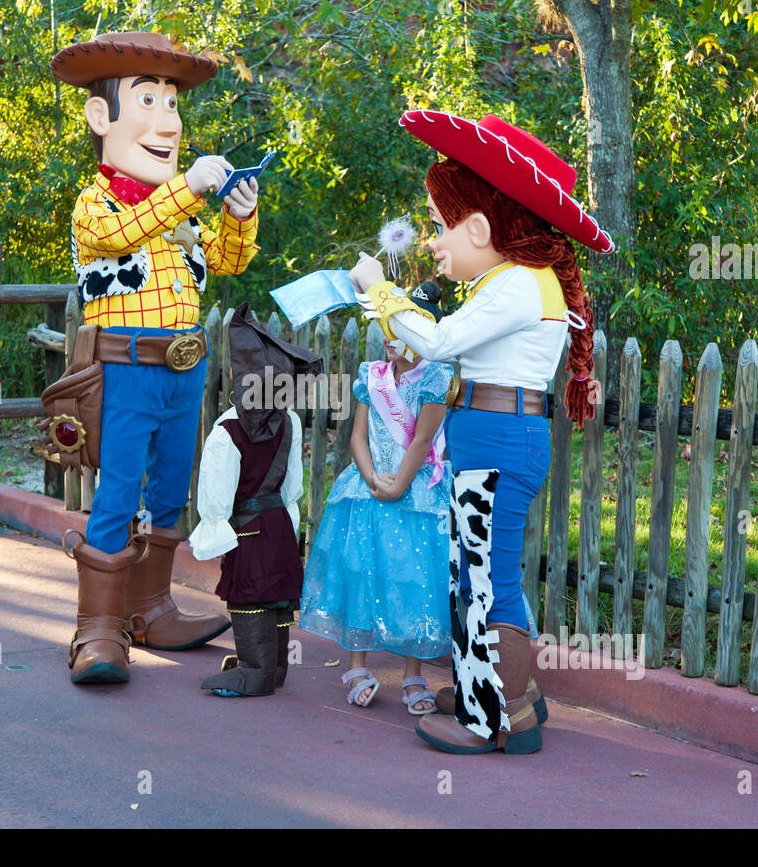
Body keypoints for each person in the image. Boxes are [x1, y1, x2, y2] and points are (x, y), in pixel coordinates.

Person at [350, 110, 612, 754]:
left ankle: (495, 718)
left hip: (498, 437)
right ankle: (490, 689)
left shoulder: (519, 284)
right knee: (474, 572)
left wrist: (382, 291)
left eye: (440, 228)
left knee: (485, 577)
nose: (434, 243)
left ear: (478, 226)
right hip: (490, 433)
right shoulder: (511, 281)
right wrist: (388, 308)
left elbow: (437, 342)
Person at [49, 31, 262, 684]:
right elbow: (116, 236)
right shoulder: (98, 204)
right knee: (116, 492)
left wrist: (240, 217)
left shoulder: (179, 216)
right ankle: (97, 629)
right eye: (149, 102)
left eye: (173, 105)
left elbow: (225, 262)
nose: (168, 122)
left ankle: (150, 607)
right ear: (100, 118)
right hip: (124, 371)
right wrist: (188, 191)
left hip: (183, 370)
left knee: (170, 490)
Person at [300, 285, 454, 715]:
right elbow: (356, 436)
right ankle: (356, 666)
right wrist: (371, 477)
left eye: (399, 328)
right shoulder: (375, 375)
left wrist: (399, 485)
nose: (389, 337)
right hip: (368, 492)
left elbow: (423, 439)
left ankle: (413, 674)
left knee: (416, 579)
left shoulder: (438, 378)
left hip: (416, 493)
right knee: (361, 571)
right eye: (387, 328)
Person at [188, 304, 323, 697]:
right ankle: (275, 667)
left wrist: (216, 531)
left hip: (247, 527)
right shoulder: (290, 421)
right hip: (279, 522)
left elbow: (216, 498)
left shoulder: (225, 431)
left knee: (249, 597)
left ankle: (255, 671)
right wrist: (286, 521)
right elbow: (292, 487)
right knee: (277, 597)